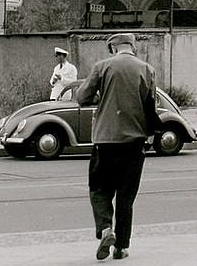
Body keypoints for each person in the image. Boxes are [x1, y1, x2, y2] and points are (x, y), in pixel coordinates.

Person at [75, 33, 160, 261]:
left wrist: (99, 98)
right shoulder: (147, 70)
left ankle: (105, 229)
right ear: (133, 47)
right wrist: (150, 135)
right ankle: (121, 247)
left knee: (99, 189)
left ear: (113, 48)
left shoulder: (102, 67)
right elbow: (151, 106)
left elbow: (81, 97)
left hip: (105, 140)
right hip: (134, 142)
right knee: (126, 196)